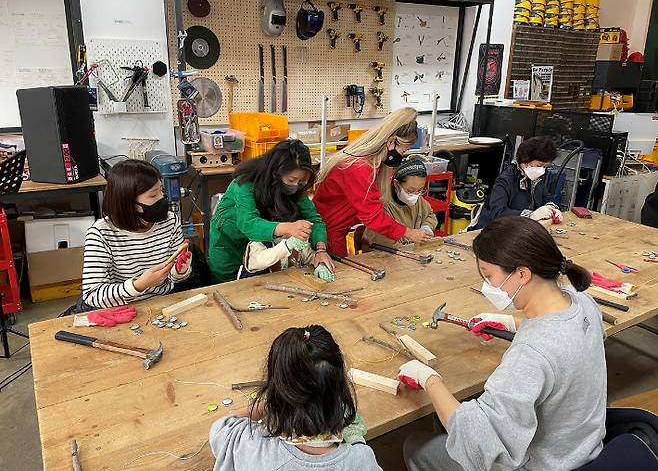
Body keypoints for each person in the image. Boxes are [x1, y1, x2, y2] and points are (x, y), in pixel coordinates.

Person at [400, 216, 606, 471]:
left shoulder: (531, 354)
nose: (487, 286)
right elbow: (564, 341)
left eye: (489, 276)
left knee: (417, 445)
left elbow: (476, 439)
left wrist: (429, 380)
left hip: (546, 464)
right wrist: (512, 324)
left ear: (522, 273)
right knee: (446, 420)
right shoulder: (582, 301)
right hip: (584, 448)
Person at [209, 325, 383, 471]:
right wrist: (357, 442)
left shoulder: (252, 445)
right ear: (340, 390)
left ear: (278, 393)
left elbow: (222, 427)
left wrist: (270, 403)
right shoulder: (361, 462)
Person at [208, 139, 334, 283]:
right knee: (228, 288)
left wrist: (321, 250)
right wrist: (288, 228)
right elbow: (248, 223)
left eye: (300, 181)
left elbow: (314, 219)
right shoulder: (244, 183)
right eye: (291, 180)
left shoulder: (296, 187)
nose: (295, 186)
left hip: (260, 244)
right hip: (230, 243)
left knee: (259, 284)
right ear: (275, 172)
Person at [313, 108, 433, 257]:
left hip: (337, 229)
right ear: (391, 143)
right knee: (336, 274)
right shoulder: (359, 168)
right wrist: (408, 233)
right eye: (404, 150)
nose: (402, 156)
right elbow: (373, 217)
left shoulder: (373, 164)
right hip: (327, 234)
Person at [81, 159, 192, 309]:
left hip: (164, 303)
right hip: (122, 308)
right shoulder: (101, 234)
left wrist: (180, 270)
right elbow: (92, 295)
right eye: (153, 195)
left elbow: (173, 278)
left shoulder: (170, 221)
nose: (162, 199)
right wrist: (139, 285)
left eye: (161, 191)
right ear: (127, 202)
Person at [473, 136, 562, 230]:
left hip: (520, 230)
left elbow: (547, 196)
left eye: (545, 167)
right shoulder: (505, 180)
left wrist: (551, 207)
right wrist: (530, 215)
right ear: (525, 161)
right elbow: (497, 212)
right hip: (495, 232)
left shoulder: (535, 179)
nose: (542, 170)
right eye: (539, 165)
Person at [362, 157, 438, 248]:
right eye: (410, 190)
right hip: (383, 256)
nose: (415, 195)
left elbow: (430, 215)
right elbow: (383, 246)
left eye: (420, 190)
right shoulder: (383, 205)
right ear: (396, 184)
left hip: (410, 253)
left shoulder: (418, 200)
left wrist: (426, 227)